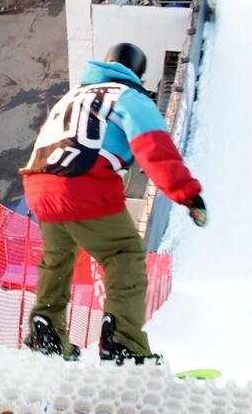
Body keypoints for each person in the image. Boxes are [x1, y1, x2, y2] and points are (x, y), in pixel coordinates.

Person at [21, 43, 206, 364]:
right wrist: (187, 193)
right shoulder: (128, 97)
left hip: (38, 180)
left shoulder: (73, 95)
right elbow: (154, 148)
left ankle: (46, 332)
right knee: (124, 255)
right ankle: (123, 342)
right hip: (80, 180)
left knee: (57, 258)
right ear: (137, 72)